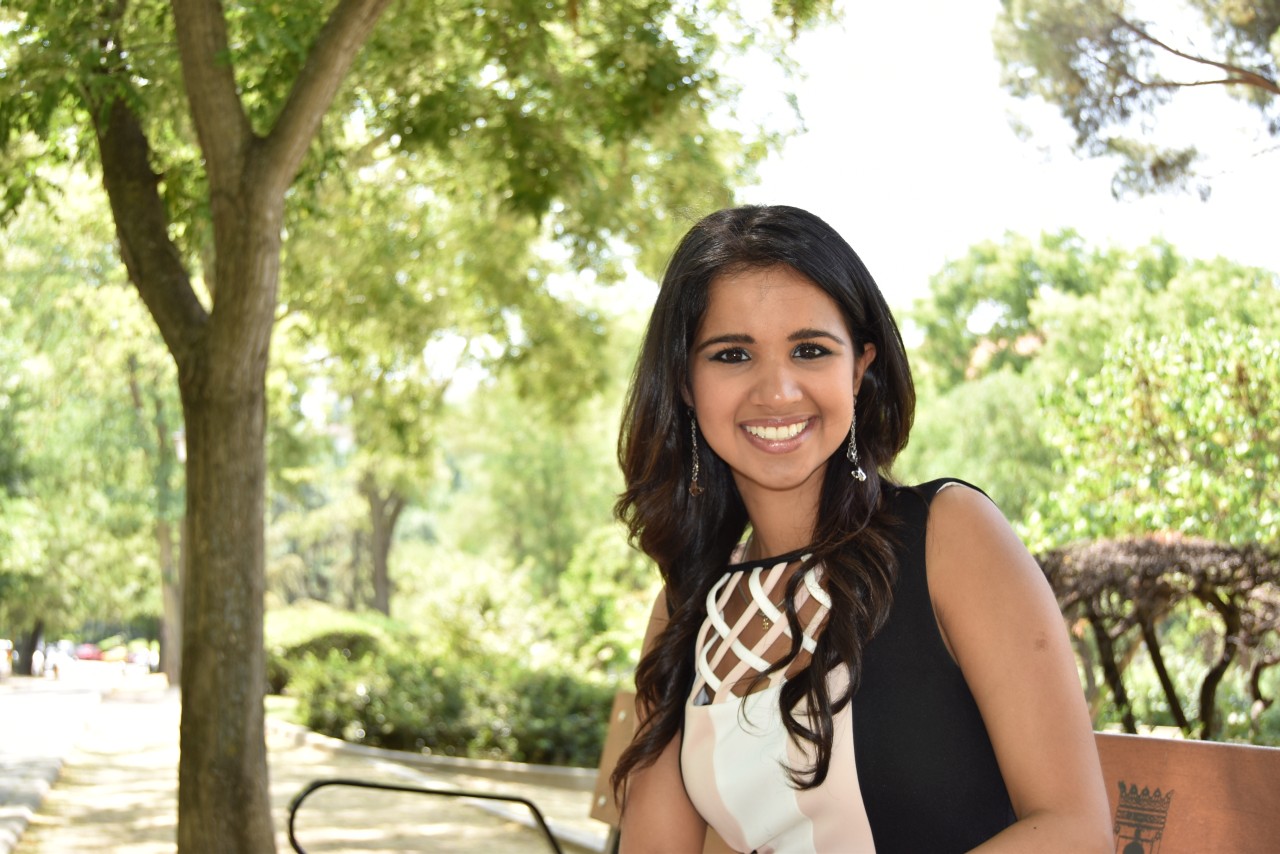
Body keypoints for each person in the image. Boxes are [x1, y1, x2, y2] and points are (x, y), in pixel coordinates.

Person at [610, 205, 1112, 853]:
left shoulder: (948, 535)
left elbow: (1074, 829)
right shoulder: (689, 606)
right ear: (685, 382)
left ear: (858, 367)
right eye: (732, 354)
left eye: (810, 350)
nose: (777, 391)